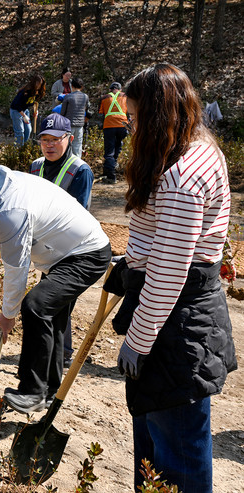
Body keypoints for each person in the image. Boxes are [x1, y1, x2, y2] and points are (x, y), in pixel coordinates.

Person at [110, 63, 236, 493]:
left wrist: (137, 341)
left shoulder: (182, 178)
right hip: (173, 314)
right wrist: (130, 264)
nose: (130, 125)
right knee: (155, 443)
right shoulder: (193, 147)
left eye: (134, 116)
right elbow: (165, 240)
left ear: (158, 115)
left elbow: (169, 273)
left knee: (177, 452)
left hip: (178, 325)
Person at [0, 164, 111, 413]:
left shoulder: (9, 213)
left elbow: (17, 270)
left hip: (86, 254)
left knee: (36, 306)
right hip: (63, 253)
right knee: (52, 317)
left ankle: (32, 392)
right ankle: (49, 391)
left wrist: (8, 314)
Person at [30, 113, 94, 368]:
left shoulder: (80, 171)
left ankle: (62, 354)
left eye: (55, 139)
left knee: (57, 301)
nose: (49, 145)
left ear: (70, 138)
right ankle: (55, 353)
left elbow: (78, 214)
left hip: (71, 249)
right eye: (44, 139)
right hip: (45, 246)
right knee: (51, 300)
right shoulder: (36, 166)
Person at [98, 82, 128, 184]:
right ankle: (110, 169)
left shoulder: (104, 98)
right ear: (120, 89)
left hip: (109, 126)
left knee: (109, 151)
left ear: (110, 90)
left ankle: (111, 176)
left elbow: (100, 112)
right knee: (118, 146)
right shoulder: (125, 96)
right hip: (123, 125)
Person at [9, 74, 46, 145]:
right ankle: (18, 149)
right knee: (20, 132)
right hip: (16, 111)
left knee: (28, 130)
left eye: (40, 84)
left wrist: (36, 111)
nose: (39, 86)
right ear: (34, 83)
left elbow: (35, 102)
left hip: (25, 110)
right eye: (38, 84)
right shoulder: (25, 91)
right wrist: (23, 116)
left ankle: (24, 147)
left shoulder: (37, 92)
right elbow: (16, 105)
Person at [60, 77, 89, 157]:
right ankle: (77, 163)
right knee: (77, 146)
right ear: (81, 86)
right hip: (80, 125)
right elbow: (86, 109)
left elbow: (62, 112)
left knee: (67, 146)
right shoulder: (85, 97)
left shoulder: (68, 97)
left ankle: (67, 162)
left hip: (68, 125)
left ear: (71, 86)